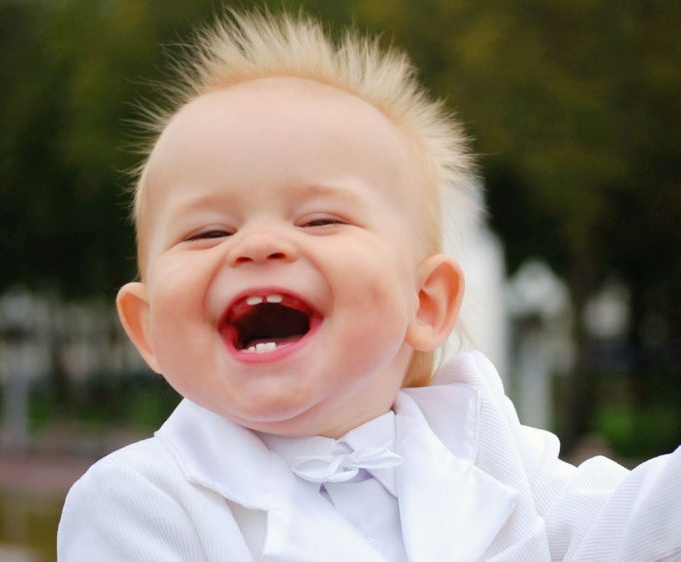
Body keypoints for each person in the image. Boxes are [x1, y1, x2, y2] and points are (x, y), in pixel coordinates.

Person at [57, 10, 680, 561]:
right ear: (147, 329)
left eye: (320, 220)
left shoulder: (482, 447)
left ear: (426, 303)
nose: (257, 244)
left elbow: (641, 527)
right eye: (206, 232)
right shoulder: (142, 501)